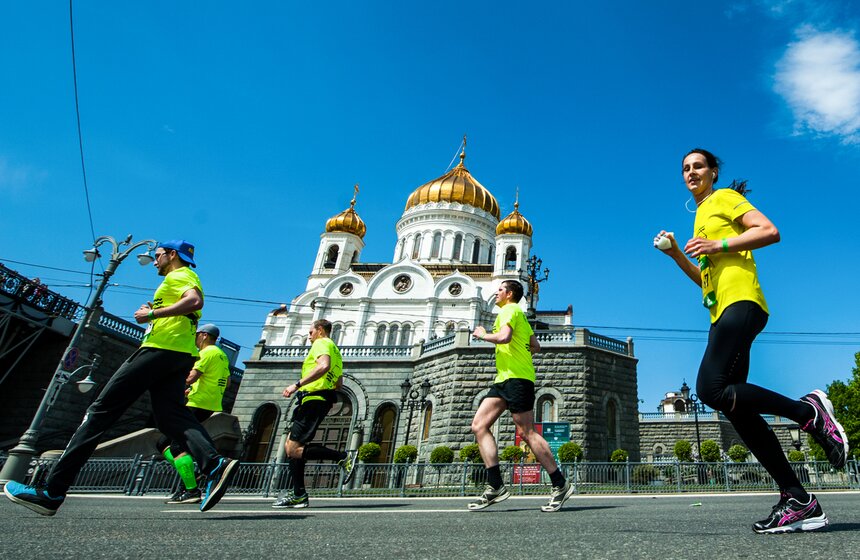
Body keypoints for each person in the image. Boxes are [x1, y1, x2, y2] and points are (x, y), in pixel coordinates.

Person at [656, 148, 849, 534]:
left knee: (708, 389)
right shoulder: (701, 215)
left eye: (698, 166)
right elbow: (705, 280)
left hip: (741, 304)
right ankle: (798, 499)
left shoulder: (723, 198)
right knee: (737, 410)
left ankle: (807, 412)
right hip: (721, 311)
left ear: (713, 172)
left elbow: (769, 231)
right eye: (685, 168)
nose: (691, 172)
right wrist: (677, 253)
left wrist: (718, 245)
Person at [4, 240, 239, 515]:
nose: (155, 261)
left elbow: (194, 301)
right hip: (179, 355)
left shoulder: (179, 275)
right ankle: (214, 464)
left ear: (172, 255)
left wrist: (151, 313)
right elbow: (186, 309)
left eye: (158, 255)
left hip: (159, 350)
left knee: (99, 413)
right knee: (170, 417)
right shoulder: (182, 279)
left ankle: (52, 491)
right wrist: (156, 313)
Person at [469, 280, 573, 513]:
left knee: (526, 433)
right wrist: (520, 352)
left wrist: (483, 335)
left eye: (500, 290)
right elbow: (535, 346)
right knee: (479, 425)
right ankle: (496, 485)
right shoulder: (522, 317)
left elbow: (504, 337)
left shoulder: (509, 310)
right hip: (504, 379)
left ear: (509, 294)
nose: (497, 293)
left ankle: (560, 484)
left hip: (517, 380)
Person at [272, 319, 356, 509]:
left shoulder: (321, 343)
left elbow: (323, 365)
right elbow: (339, 384)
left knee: (293, 449)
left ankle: (342, 457)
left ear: (320, 330)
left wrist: (297, 385)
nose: (309, 336)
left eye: (310, 332)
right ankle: (298, 494)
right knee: (291, 447)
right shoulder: (336, 351)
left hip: (313, 399)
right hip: (318, 398)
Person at [159, 323, 232, 504]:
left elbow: (191, 376)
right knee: (166, 443)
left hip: (196, 403)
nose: (195, 337)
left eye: (197, 334)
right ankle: (192, 475)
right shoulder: (222, 355)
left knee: (175, 447)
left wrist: (174, 384)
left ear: (205, 335)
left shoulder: (207, 352)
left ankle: (191, 488)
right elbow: (228, 382)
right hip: (209, 403)